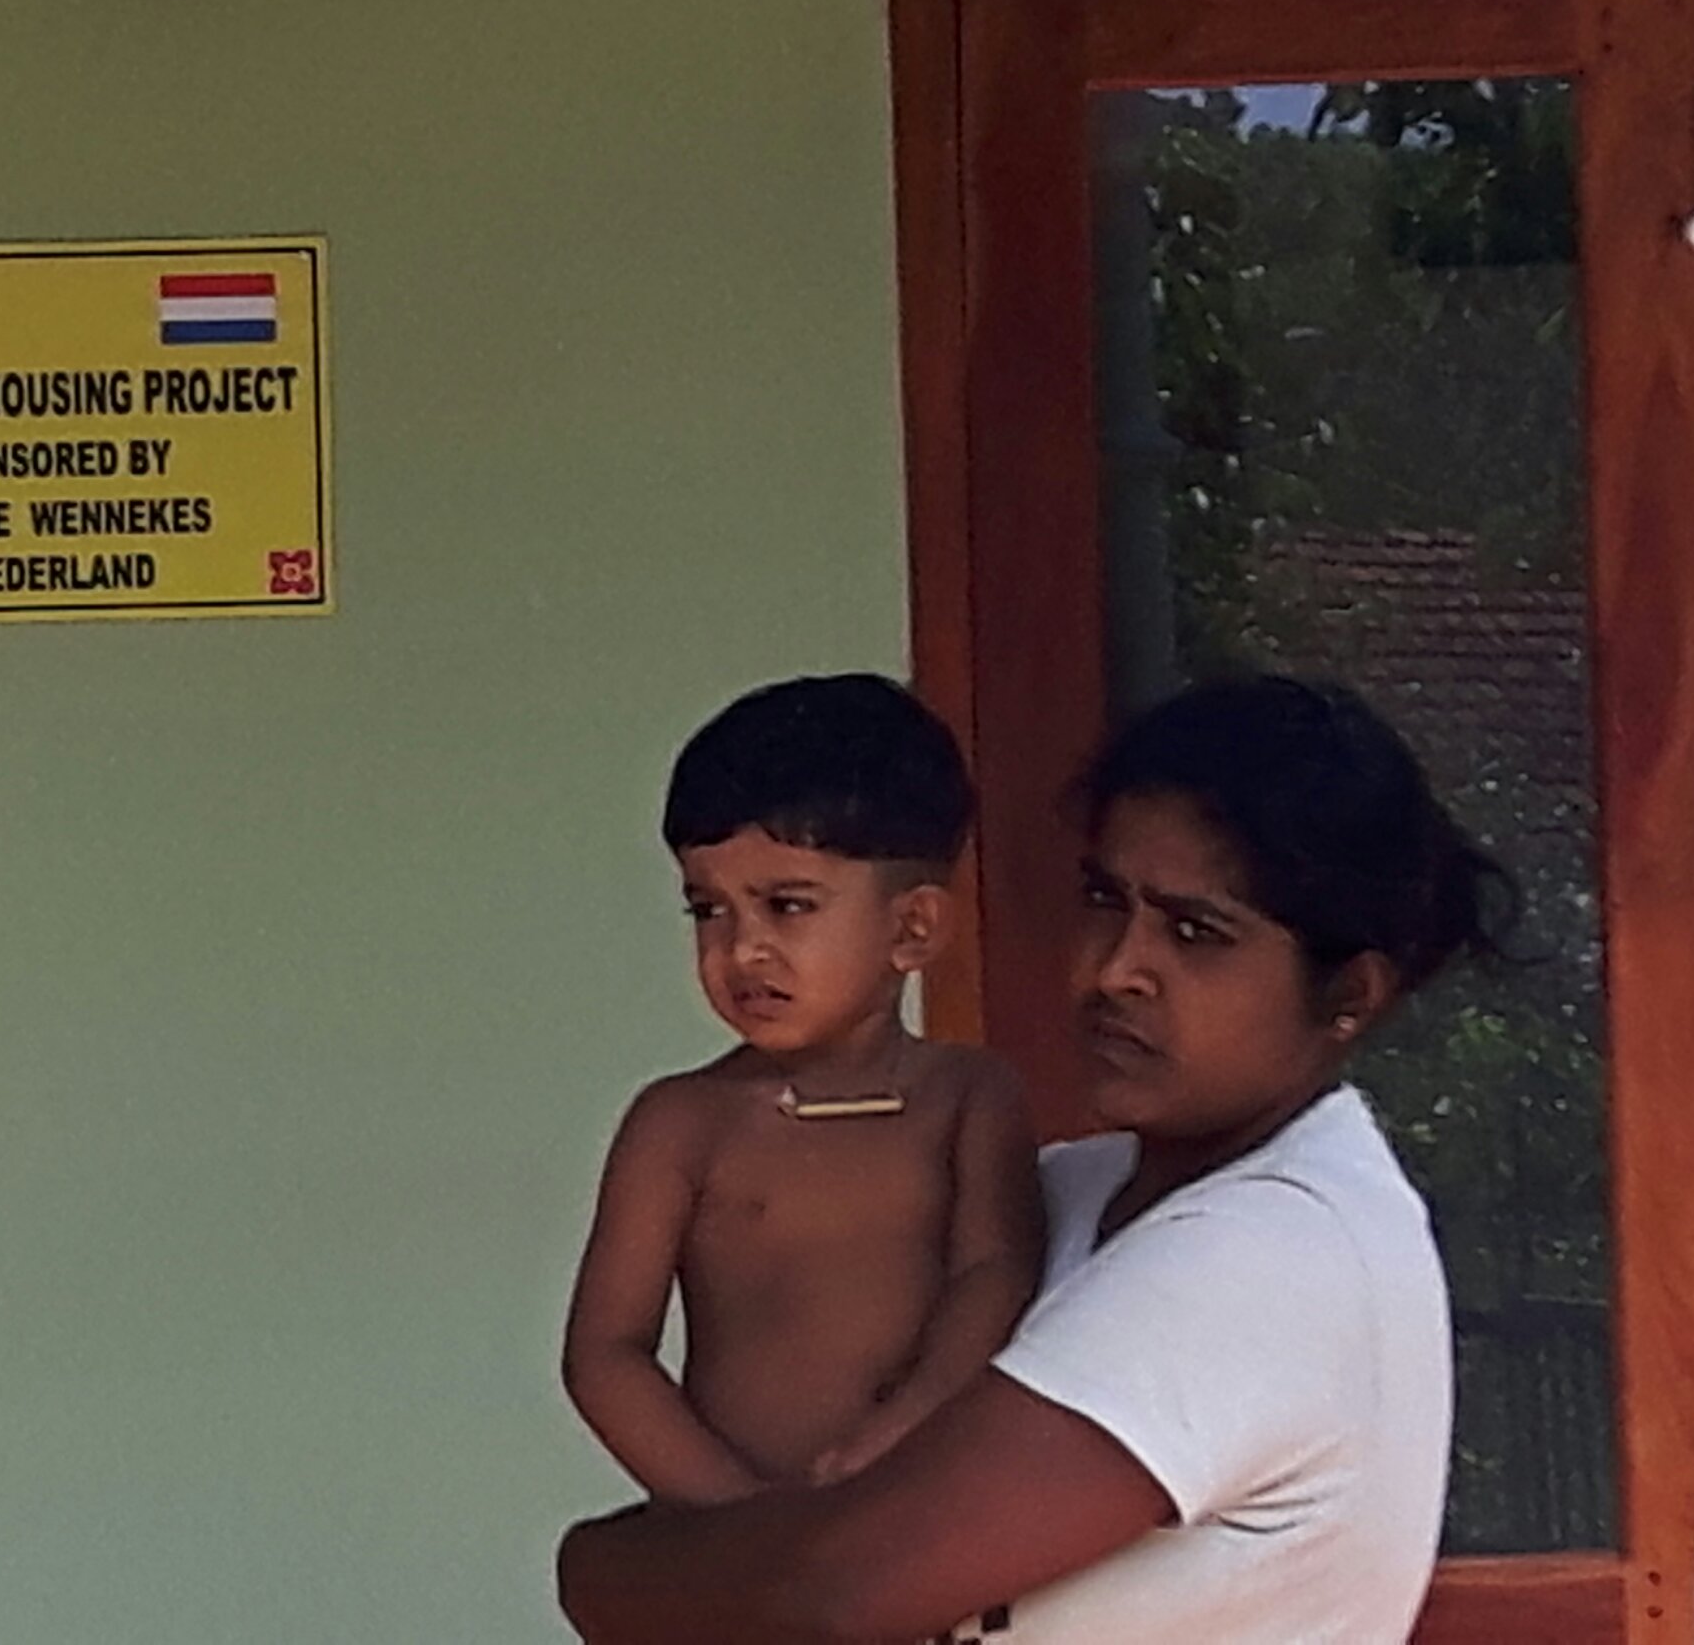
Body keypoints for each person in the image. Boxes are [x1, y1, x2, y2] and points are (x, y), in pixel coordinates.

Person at [558, 675, 1502, 1643]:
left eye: (1195, 932)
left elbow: (838, 1589)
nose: (1115, 968)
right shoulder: (1060, 1194)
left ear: (1348, 994)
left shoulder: (1281, 1249)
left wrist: (595, 1565)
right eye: (1102, 899)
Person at [561, 674, 1041, 1506]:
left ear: (913, 927)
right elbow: (605, 1354)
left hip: (922, 1517)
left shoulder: (969, 1097)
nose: (742, 949)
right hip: (733, 1538)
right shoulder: (681, 1123)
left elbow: (996, 1275)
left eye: (786, 905)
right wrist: (742, 1520)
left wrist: (907, 1426)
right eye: (708, 910)